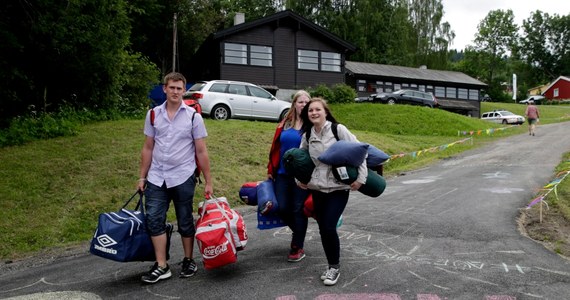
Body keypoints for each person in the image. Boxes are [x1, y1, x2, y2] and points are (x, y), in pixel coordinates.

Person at [137, 72, 213, 284]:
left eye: (179, 88)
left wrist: (208, 181)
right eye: (172, 87)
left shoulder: (192, 117)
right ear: (165, 88)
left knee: (185, 221)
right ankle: (162, 265)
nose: (175, 92)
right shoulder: (153, 114)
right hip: (156, 177)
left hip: (183, 175)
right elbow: (148, 147)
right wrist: (142, 177)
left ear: (184, 90)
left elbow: (201, 151)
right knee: (154, 219)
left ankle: (189, 260)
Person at [297, 97, 367, 286]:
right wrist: (300, 179)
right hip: (318, 188)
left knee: (328, 226)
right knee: (323, 229)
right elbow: (300, 158)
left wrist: (361, 178)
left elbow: (361, 151)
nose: (314, 113)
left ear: (325, 112)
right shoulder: (307, 134)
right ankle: (331, 265)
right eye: (310, 110)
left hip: (338, 188)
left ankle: (334, 268)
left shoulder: (338, 129)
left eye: (317, 110)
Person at [267, 90, 311, 262]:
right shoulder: (285, 123)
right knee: (282, 208)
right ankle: (298, 231)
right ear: (294, 104)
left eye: (307, 102)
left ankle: (297, 246)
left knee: (298, 210)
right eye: (300, 102)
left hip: (302, 176)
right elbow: (275, 148)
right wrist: (271, 169)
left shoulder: (312, 125)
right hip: (282, 174)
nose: (304, 105)